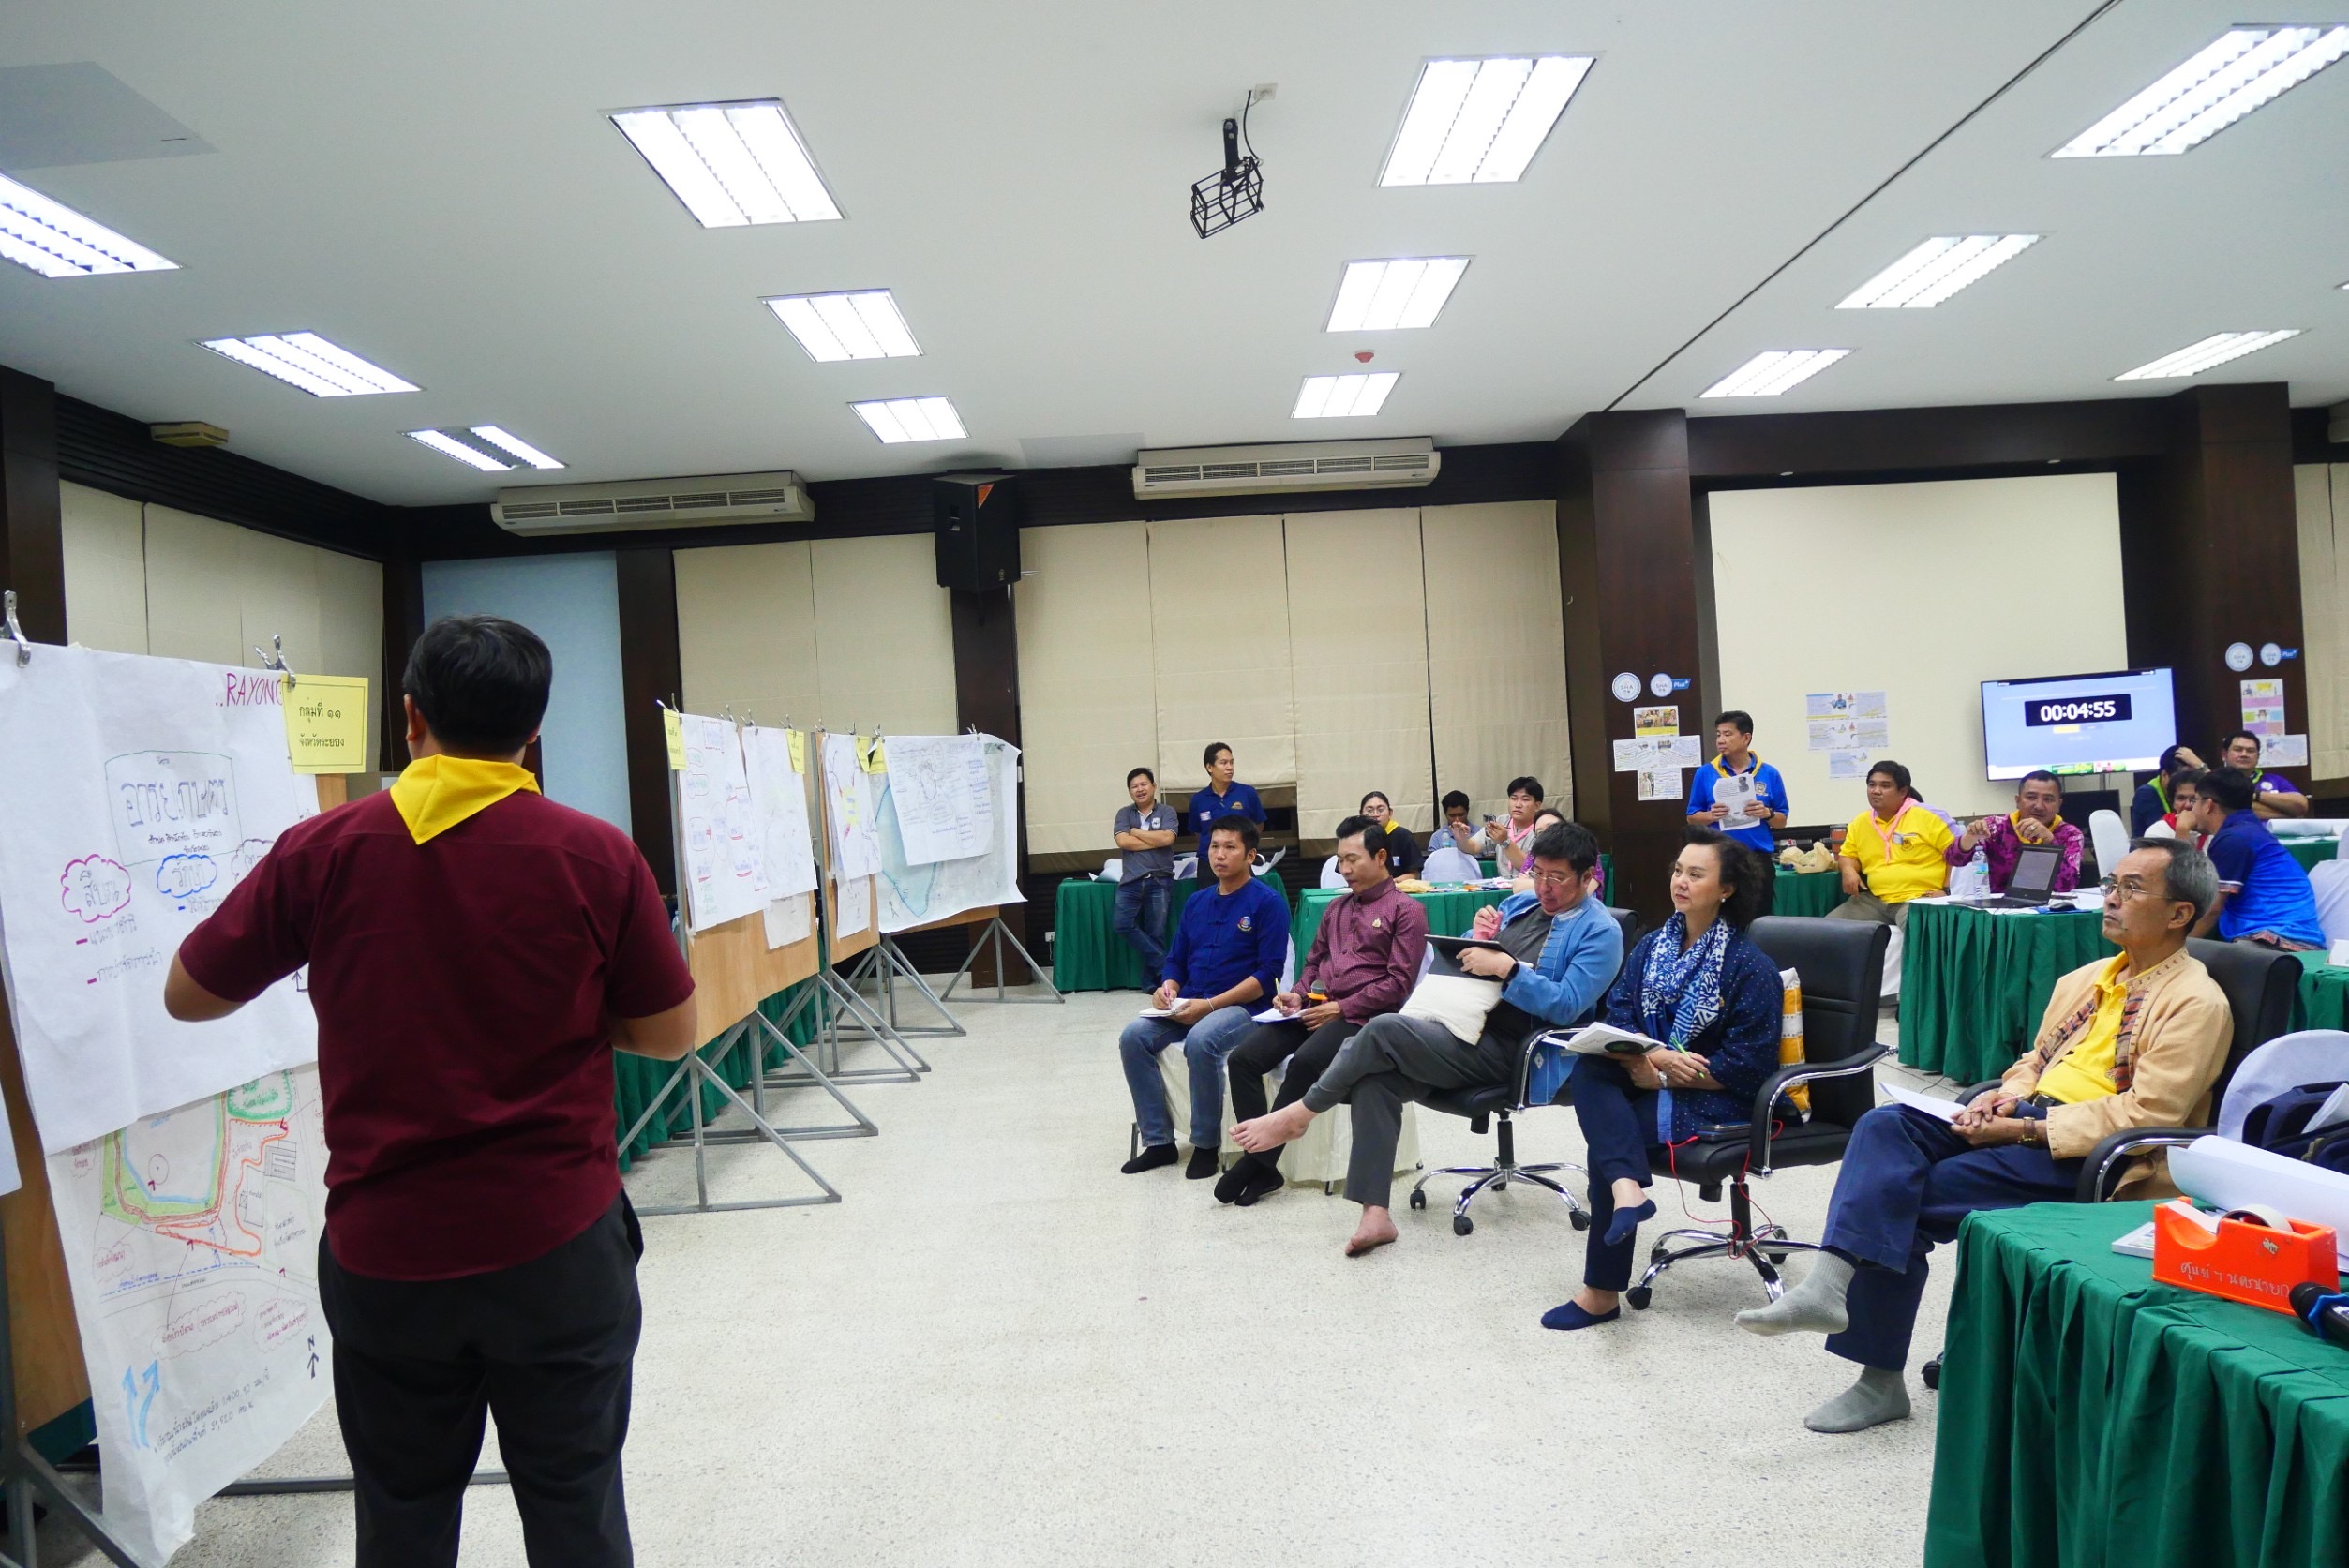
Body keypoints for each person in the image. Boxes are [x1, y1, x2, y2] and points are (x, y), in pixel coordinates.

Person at [163, 615, 697, 1568]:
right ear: (534, 728)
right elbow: (667, 1034)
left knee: (402, 1512)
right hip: (557, 1243)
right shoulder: (595, 854)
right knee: (576, 1503)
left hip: (387, 1251)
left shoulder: (322, 850)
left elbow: (188, 993)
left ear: (410, 717)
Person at [1736, 840, 2230, 1434]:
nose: (2111, 899)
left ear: (2180, 913)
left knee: (1901, 1198)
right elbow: (2036, 1060)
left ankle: (1877, 1379)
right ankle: (1828, 1286)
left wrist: (2023, 1127)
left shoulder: (2196, 1002)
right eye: (2111, 884)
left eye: (2132, 889)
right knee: (1885, 1125)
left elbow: (2147, 1115)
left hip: (2091, 1156)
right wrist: (2003, 1095)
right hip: (2026, 1116)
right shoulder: (2087, 978)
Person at [1231, 821, 1622, 1256]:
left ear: (1588, 877)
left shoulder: (1601, 932)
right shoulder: (1520, 905)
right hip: (1461, 1024)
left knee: (1383, 1027)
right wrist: (1478, 937)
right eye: (1539, 873)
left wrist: (1508, 970)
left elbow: (1567, 1007)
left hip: (1516, 1052)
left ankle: (1298, 1115)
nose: (1544, 887)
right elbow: (1463, 960)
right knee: (1375, 1080)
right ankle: (1375, 1214)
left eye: (1557, 878)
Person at [1540, 829, 1788, 1331]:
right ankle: (1629, 1191)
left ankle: (1601, 1291)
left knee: (1612, 1137)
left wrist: (1666, 1079)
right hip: (1651, 1073)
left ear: (1727, 889)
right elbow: (1621, 1014)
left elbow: (1750, 1066)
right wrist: (1651, 1056)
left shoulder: (1749, 967)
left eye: (1696, 874)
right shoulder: (1653, 945)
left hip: (1718, 1096)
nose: (1681, 881)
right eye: (1678, 870)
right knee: (1590, 1068)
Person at [1218, 816, 1429, 1206]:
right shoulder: (1336, 908)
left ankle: (1259, 1160)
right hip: (1316, 1008)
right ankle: (1261, 1164)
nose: (1344, 869)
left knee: (1306, 1061)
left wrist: (1341, 1007)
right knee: (1244, 1059)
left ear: (1381, 857)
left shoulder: (1406, 910)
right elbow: (1314, 963)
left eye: (1352, 859)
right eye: (1340, 860)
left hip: (1362, 1017)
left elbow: (1398, 984)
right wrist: (1298, 994)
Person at [1116, 815, 1291, 1178]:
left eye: (1230, 847)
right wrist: (1168, 989)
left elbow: (1267, 975)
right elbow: (1176, 960)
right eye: (1214, 846)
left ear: (1250, 855)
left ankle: (1206, 1145)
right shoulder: (1196, 902)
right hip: (1192, 1000)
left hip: (1245, 1008)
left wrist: (1210, 1006)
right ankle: (1159, 1142)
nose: (1219, 855)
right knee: (1133, 1037)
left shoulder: (1267, 902)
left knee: (1202, 1040)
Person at [2190, 768, 2326, 949]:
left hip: (2280, 940)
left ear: (2208, 805)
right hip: (2280, 939)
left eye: (2194, 800)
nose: (2191, 808)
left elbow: (2212, 909)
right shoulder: (2248, 829)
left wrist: (2175, 951)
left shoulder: (2233, 838)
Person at [1827, 760, 1952, 929]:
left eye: (1885, 786)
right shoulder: (1861, 822)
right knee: (1825, 931)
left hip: (1917, 898)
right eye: (1872, 785)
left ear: (1903, 791)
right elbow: (1848, 855)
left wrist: (1947, 891)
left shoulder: (1927, 817)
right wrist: (1848, 870)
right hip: (1875, 900)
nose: (1876, 791)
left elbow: (1955, 855)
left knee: (1919, 934)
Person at [1947, 769, 2084, 894]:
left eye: (2048, 799)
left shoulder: (2070, 834)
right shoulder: (1995, 827)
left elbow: (2067, 885)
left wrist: (2050, 841)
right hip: (2001, 907)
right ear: (2018, 801)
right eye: (2031, 797)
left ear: (2059, 804)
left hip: (2051, 907)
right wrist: (1970, 837)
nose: (2039, 806)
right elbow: (1953, 859)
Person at [1686, 710, 1790, 853]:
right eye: (1718, 735)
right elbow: (1691, 818)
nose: (1720, 740)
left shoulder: (1770, 774)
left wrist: (1767, 813)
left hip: (1757, 855)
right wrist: (1710, 815)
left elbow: (1781, 822)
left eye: (1727, 734)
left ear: (1746, 738)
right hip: (1719, 855)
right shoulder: (1704, 773)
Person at [1111, 767, 1176, 981]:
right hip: (1131, 880)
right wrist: (1155, 840)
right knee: (1121, 924)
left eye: (1143, 784)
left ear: (1153, 787)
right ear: (1129, 791)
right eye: (1134, 786)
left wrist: (1137, 832)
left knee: (1156, 933)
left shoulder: (1167, 811)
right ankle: (1166, 966)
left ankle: (1152, 984)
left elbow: (1167, 839)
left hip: (1160, 879)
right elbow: (1123, 842)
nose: (1139, 789)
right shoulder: (1124, 813)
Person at [1187, 740, 1266, 860]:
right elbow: (1197, 832)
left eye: (1231, 762)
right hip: (1208, 861)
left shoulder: (1247, 793)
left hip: (1239, 860)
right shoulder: (1198, 799)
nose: (1230, 767)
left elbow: (1259, 825)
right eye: (1224, 763)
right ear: (1210, 767)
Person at [2222, 730, 2310, 820]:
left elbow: (2301, 806)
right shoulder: (2216, 781)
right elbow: (2230, 810)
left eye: (2250, 751)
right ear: (2224, 755)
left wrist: (2255, 795)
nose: (2244, 754)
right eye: (2238, 750)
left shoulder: (2276, 780)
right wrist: (2288, 813)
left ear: (2258, 757)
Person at [2130, 744, 2202, 834]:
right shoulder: (2145, 794)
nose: (2187, 782)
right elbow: (2167, 833)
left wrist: (2201, 766)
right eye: (2181, 798)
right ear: (2164, 775)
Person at [1357, 790, 1422, 875]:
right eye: (1370, 811)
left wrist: (1390, 883)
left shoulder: (1403, 835)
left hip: (1398, 883)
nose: (1375, 814)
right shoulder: (1355, 838)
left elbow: (1413, 874)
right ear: (1361, 814)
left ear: (1390, 813)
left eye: (1380, 810)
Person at [2147, 768, 2207, 846]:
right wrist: (2182, 830)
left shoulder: (2215, 828)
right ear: (2173, 803)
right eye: (2181, 798)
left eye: (2194, 799)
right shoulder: (2157, 832)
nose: (2188, 805)